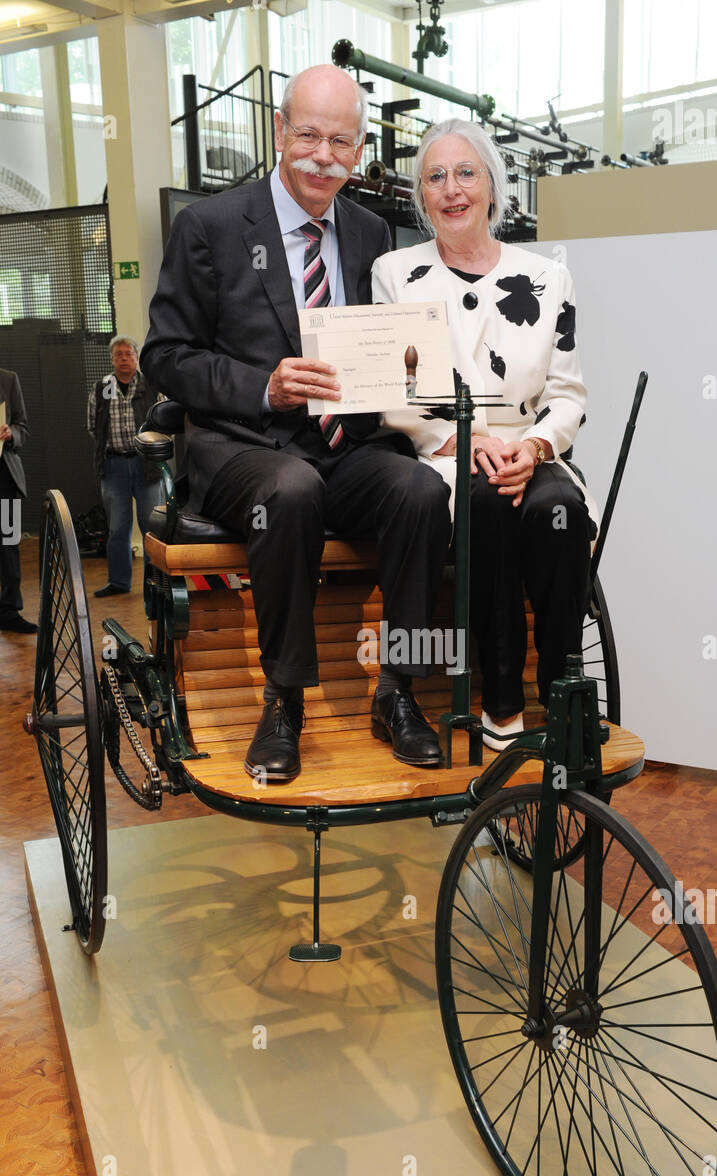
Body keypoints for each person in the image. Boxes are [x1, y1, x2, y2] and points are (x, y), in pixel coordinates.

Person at [141, 64, 451, 783]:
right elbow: (165, 355)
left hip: (344, 445)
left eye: (340, 141)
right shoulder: (209, 226)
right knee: (289, 489)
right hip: (246, 446)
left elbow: (394, 348)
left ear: (360, 147)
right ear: (279, 133)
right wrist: (263, 386)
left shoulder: (373, 232)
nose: (322, 155)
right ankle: (284, 699)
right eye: (307, 135)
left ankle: (397, 689)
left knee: (420, 491)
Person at [371, 118, 599, 748]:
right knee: (486, 507)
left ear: (493, 188)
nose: (451, 190)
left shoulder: (549, 277)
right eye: (435, 177)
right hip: (450, 456)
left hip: (530, 451)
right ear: (421, 195)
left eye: (465, 173)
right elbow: (397, 394)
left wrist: (532, 448)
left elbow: (567, 395)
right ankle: (501, 703)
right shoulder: (395, 273)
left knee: (560, 511)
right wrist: (465, 442)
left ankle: (562, 688)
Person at [87, 336, 164, 598]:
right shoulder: (101, 389)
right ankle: (118, 582)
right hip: (114, 466)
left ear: (136, 357)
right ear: (111, 359)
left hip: (147, 466)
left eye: (128, 354)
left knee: (151, 526)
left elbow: (166, 425)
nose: (123, 358)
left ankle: (154, 583)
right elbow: (92, 427)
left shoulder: (152, 387)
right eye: (118, 354)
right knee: (117, 527)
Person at [0, 367, 36, 634]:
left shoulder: (9, 379)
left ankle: (9, 610)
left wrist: (11, 432)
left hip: (5, 476)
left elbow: (22, 426)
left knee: (8, 541)